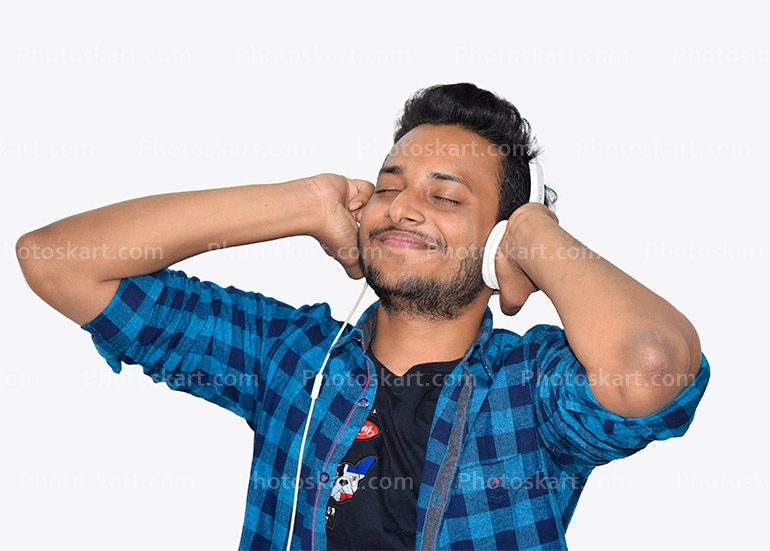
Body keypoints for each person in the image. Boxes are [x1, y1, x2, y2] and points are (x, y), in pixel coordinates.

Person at [16, 83, 710, 551]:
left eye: (445, 197)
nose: (403, 206)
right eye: (388, 187)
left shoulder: (532, 388)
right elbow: (58, 260)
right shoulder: (291, 357)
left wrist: (538, 237)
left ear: (498, 238)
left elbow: (651, 367)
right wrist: (301, 203)